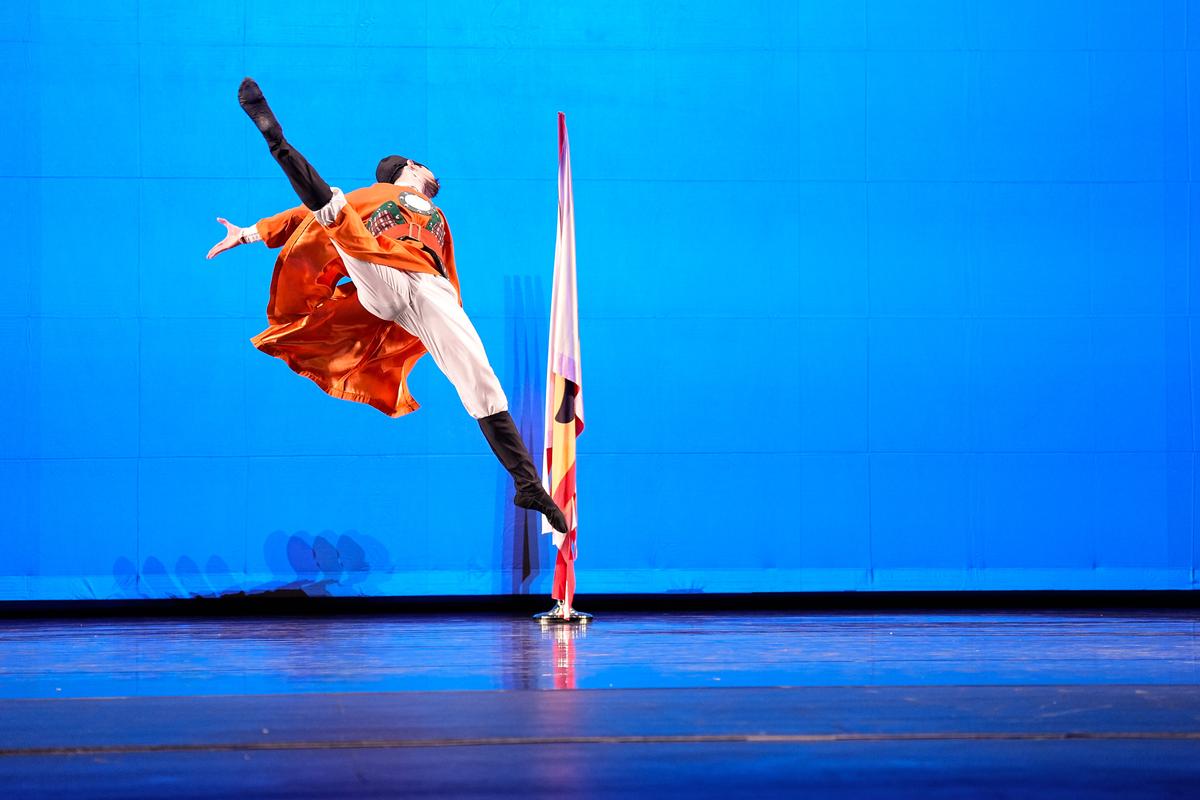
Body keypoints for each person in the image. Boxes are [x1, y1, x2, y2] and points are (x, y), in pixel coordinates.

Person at [207, 78, 568, 534]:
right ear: (411, 167)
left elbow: (445, 273)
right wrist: (250, 233)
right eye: (427, 168)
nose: (435, 176)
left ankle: (528, 484)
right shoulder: (376, 194)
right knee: (334, 208)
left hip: (429, 293)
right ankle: (276, 139)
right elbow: (298, 217)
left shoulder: (438, 216)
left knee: (480, 381)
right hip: (380, 270)